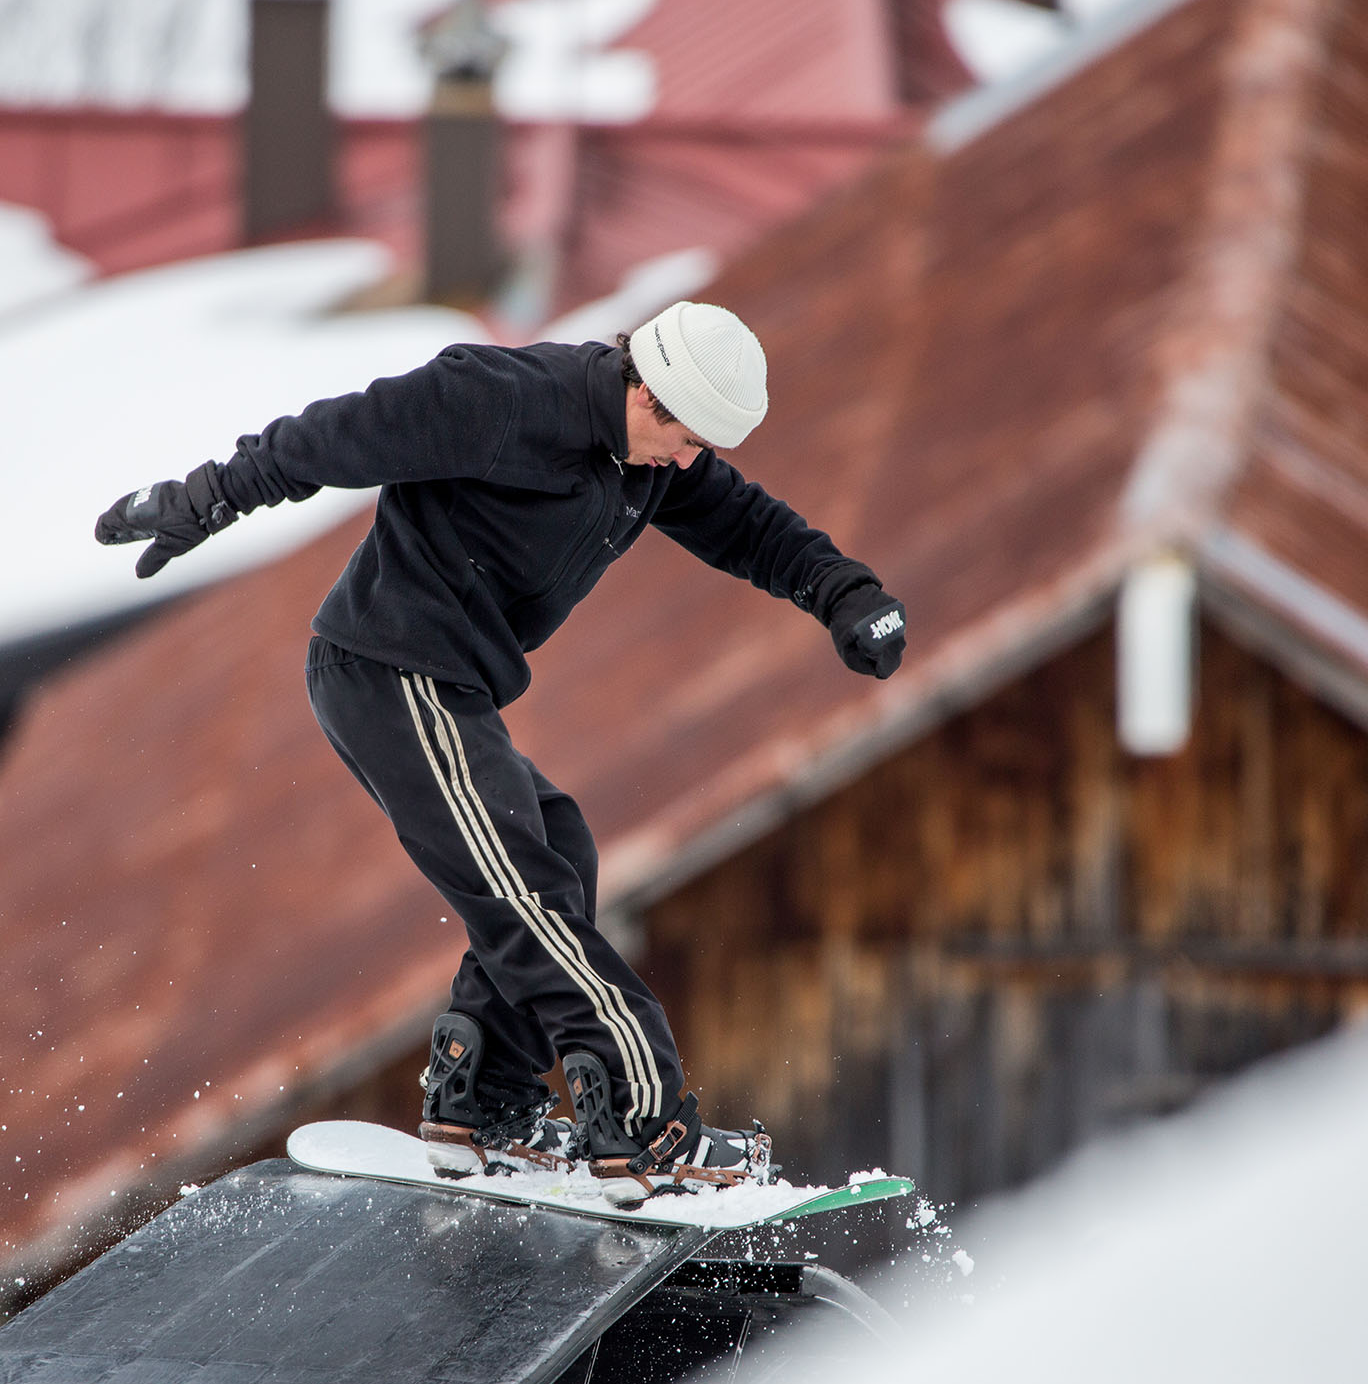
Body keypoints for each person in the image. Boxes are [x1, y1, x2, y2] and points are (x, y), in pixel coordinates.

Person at [95, 302, 905, 1203]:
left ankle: (486, 1099)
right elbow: (331, 436)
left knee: (557, 847)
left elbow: (751, 526)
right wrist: (205, 495)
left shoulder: (649, 458)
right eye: (682, 437)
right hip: (392, 669)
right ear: (643, 384)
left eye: (700, 450)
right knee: (529, 893)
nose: (686, 462)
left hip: (446, 687)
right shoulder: (499, 400)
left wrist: (845, 592)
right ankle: (645, 1123)